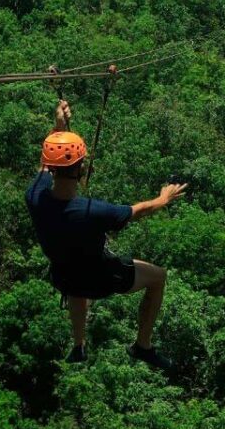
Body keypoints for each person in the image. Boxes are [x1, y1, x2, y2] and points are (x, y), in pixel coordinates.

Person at [25, 99, 187, 369]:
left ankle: (79, 346)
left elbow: (44, 166)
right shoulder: (94, 211)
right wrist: (163, 199)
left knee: (74, 282)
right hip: (101, 278)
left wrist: (59, 127)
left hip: (64, 275)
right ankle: (142, 346)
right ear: (80, 169)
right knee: (158, 277)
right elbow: (137, 210)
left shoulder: (34, 196)